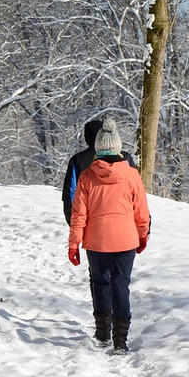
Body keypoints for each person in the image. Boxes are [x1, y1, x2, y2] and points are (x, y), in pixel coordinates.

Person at [67, 118, 151, 355]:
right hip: (126, 240)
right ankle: (121, 341)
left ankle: (103, 333)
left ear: (98, 148)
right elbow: (141, 212)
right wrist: (142, 235)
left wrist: (74, 244)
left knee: (101, 284)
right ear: (117, 147)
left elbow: (78, 215)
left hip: (96, 240)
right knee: (121, 285)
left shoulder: (86, 177)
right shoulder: (132, 175)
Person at [61, 120, 136, 225]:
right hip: (124, 221)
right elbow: (136, 192)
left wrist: (74, 223)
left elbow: (70, 194)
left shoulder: (77, 160)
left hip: (91, 223)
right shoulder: (125, 158)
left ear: (87, 137)